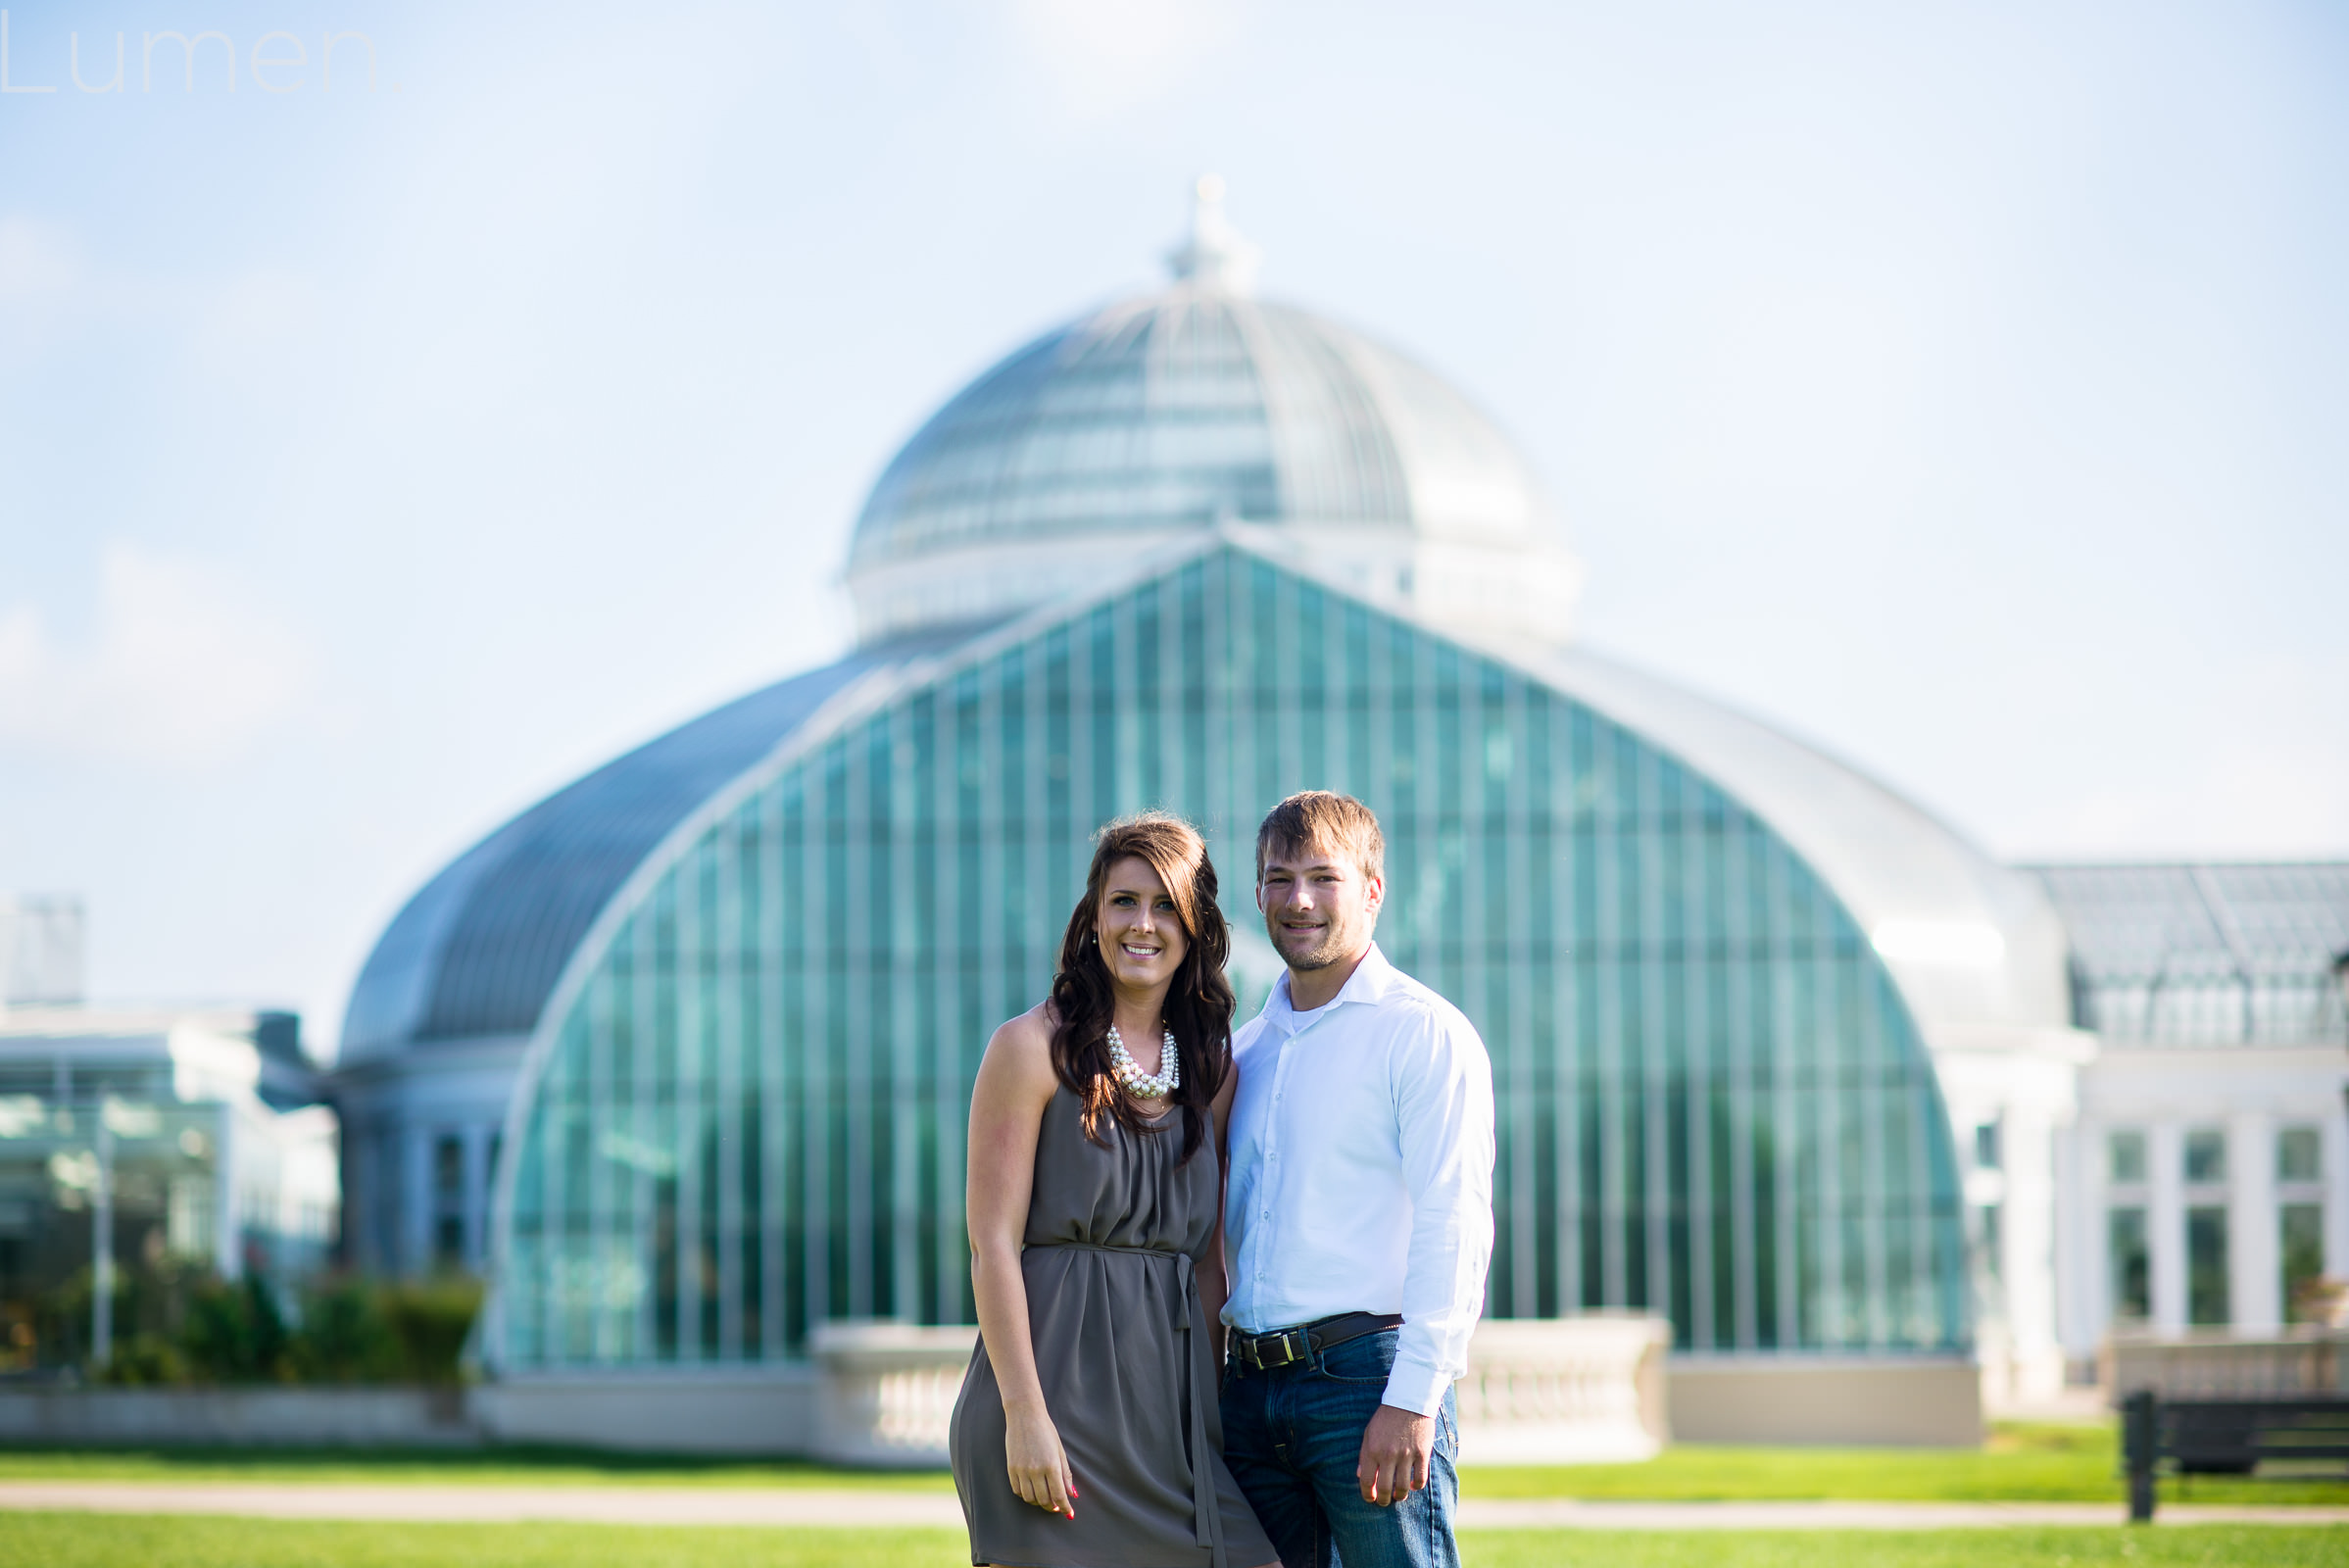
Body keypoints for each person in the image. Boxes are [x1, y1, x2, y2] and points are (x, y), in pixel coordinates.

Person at [951, 811, 1280, 1568]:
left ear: (1196, 926)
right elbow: (990, 1244)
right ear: (1092, 916)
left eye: (1166, 905)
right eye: (1124, 901)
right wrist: (1023, 1415)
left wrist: (1207, 1424)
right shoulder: (1028, 1047)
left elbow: (1206, 1266)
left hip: (1167, 1421)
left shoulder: (1213, 1074)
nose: (1143, 924)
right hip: (1049, 1407)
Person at [1218, 791, 1496, 1568]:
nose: (1297, 899)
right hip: (1246, 1396)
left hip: (1364, 1386)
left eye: (1322, 877)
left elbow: (1455, 1218)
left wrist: (1412, 1398)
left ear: (1372, 890)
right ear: (1257, 896)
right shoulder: (1244, 1051)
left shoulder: (1421, 1033)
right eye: (1277, 878)